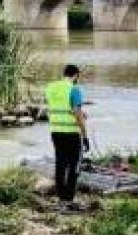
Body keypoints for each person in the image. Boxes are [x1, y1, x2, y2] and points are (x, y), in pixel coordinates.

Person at [46, 64, 90, 212]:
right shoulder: (74, 89)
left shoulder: (51, 88)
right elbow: (76, 113)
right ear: (76, 75)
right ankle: (69, 199)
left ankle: (61, 197)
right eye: (78, 77)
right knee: (74, 166)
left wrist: (78, 113)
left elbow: (58, 108)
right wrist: (85, 136)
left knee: (60, 164)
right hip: (71, 133)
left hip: (56, 132)